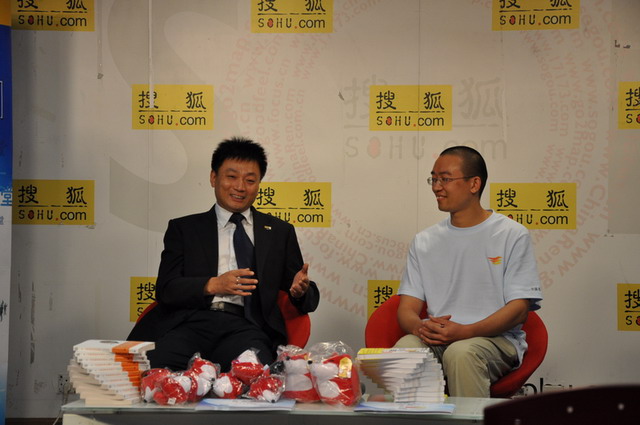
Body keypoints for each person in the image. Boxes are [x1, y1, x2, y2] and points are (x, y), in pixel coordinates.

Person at [128, 137, 320, 371]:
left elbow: (303, 293)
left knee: (256, 376)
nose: (240, 187)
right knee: (151, 371)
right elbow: (166, 289)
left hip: (246, 327)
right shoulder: (184, 229)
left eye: (250, 180)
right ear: (213, 178)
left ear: (259, 184)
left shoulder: (279, 232)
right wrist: (213, 285)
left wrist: (301, 291)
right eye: (231, 176)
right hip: (189, 324)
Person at [395, 146, 542, 398]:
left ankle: (472, 416)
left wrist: (465, 331)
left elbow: (519, 309)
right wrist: (422, 329)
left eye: (445, 179)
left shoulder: (511, 234)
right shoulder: (424, 241)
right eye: (434, 179)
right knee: (405, 350)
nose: (437, 187)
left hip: (495, 340)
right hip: (439, 338)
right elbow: (406, 309)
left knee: (461, 353)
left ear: (474, 184)